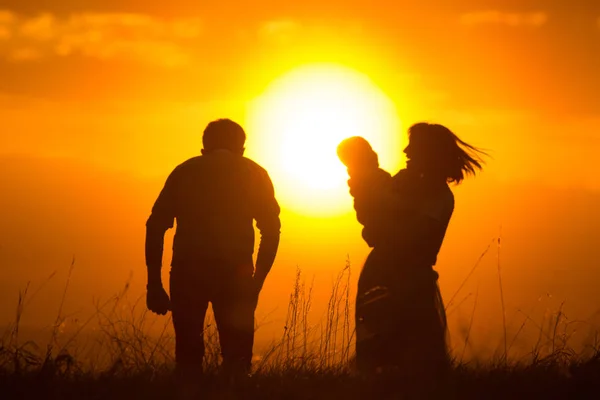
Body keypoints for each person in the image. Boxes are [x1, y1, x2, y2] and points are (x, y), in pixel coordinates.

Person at [339, 123, 486, 391]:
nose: (406, 150)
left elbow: (409, 236)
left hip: (408, 278)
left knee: (412, 354)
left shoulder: (438, 195)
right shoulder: (404, 185)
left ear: (428, 152)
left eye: (414, 146)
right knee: (380, 350)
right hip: (389, 271)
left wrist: (375, 198)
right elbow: (374, 221)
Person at [145, 119, 281, 395]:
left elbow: (155, 226)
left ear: (205, 147)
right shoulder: (253, 173)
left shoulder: (185, 172)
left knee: (187, 354)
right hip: (237, 275)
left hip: (187, 271)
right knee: (238, 358)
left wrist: (154, 284)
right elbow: (272, 230)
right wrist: (257, 282)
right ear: (241, 148)